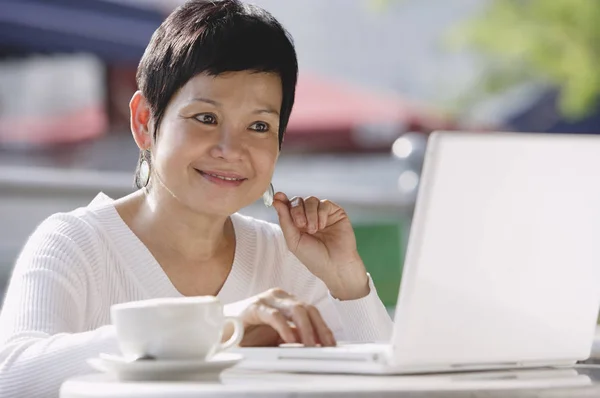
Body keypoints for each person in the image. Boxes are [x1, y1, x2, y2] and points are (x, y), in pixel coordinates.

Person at [0, 1, 393, 396]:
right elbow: (15, 376)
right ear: (144, 122)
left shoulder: (288, 258)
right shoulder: (75, 243)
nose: (231, 148)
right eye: (206, 118)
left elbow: (388, 387)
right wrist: (215, 325)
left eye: (259, 126)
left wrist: (345, 281)